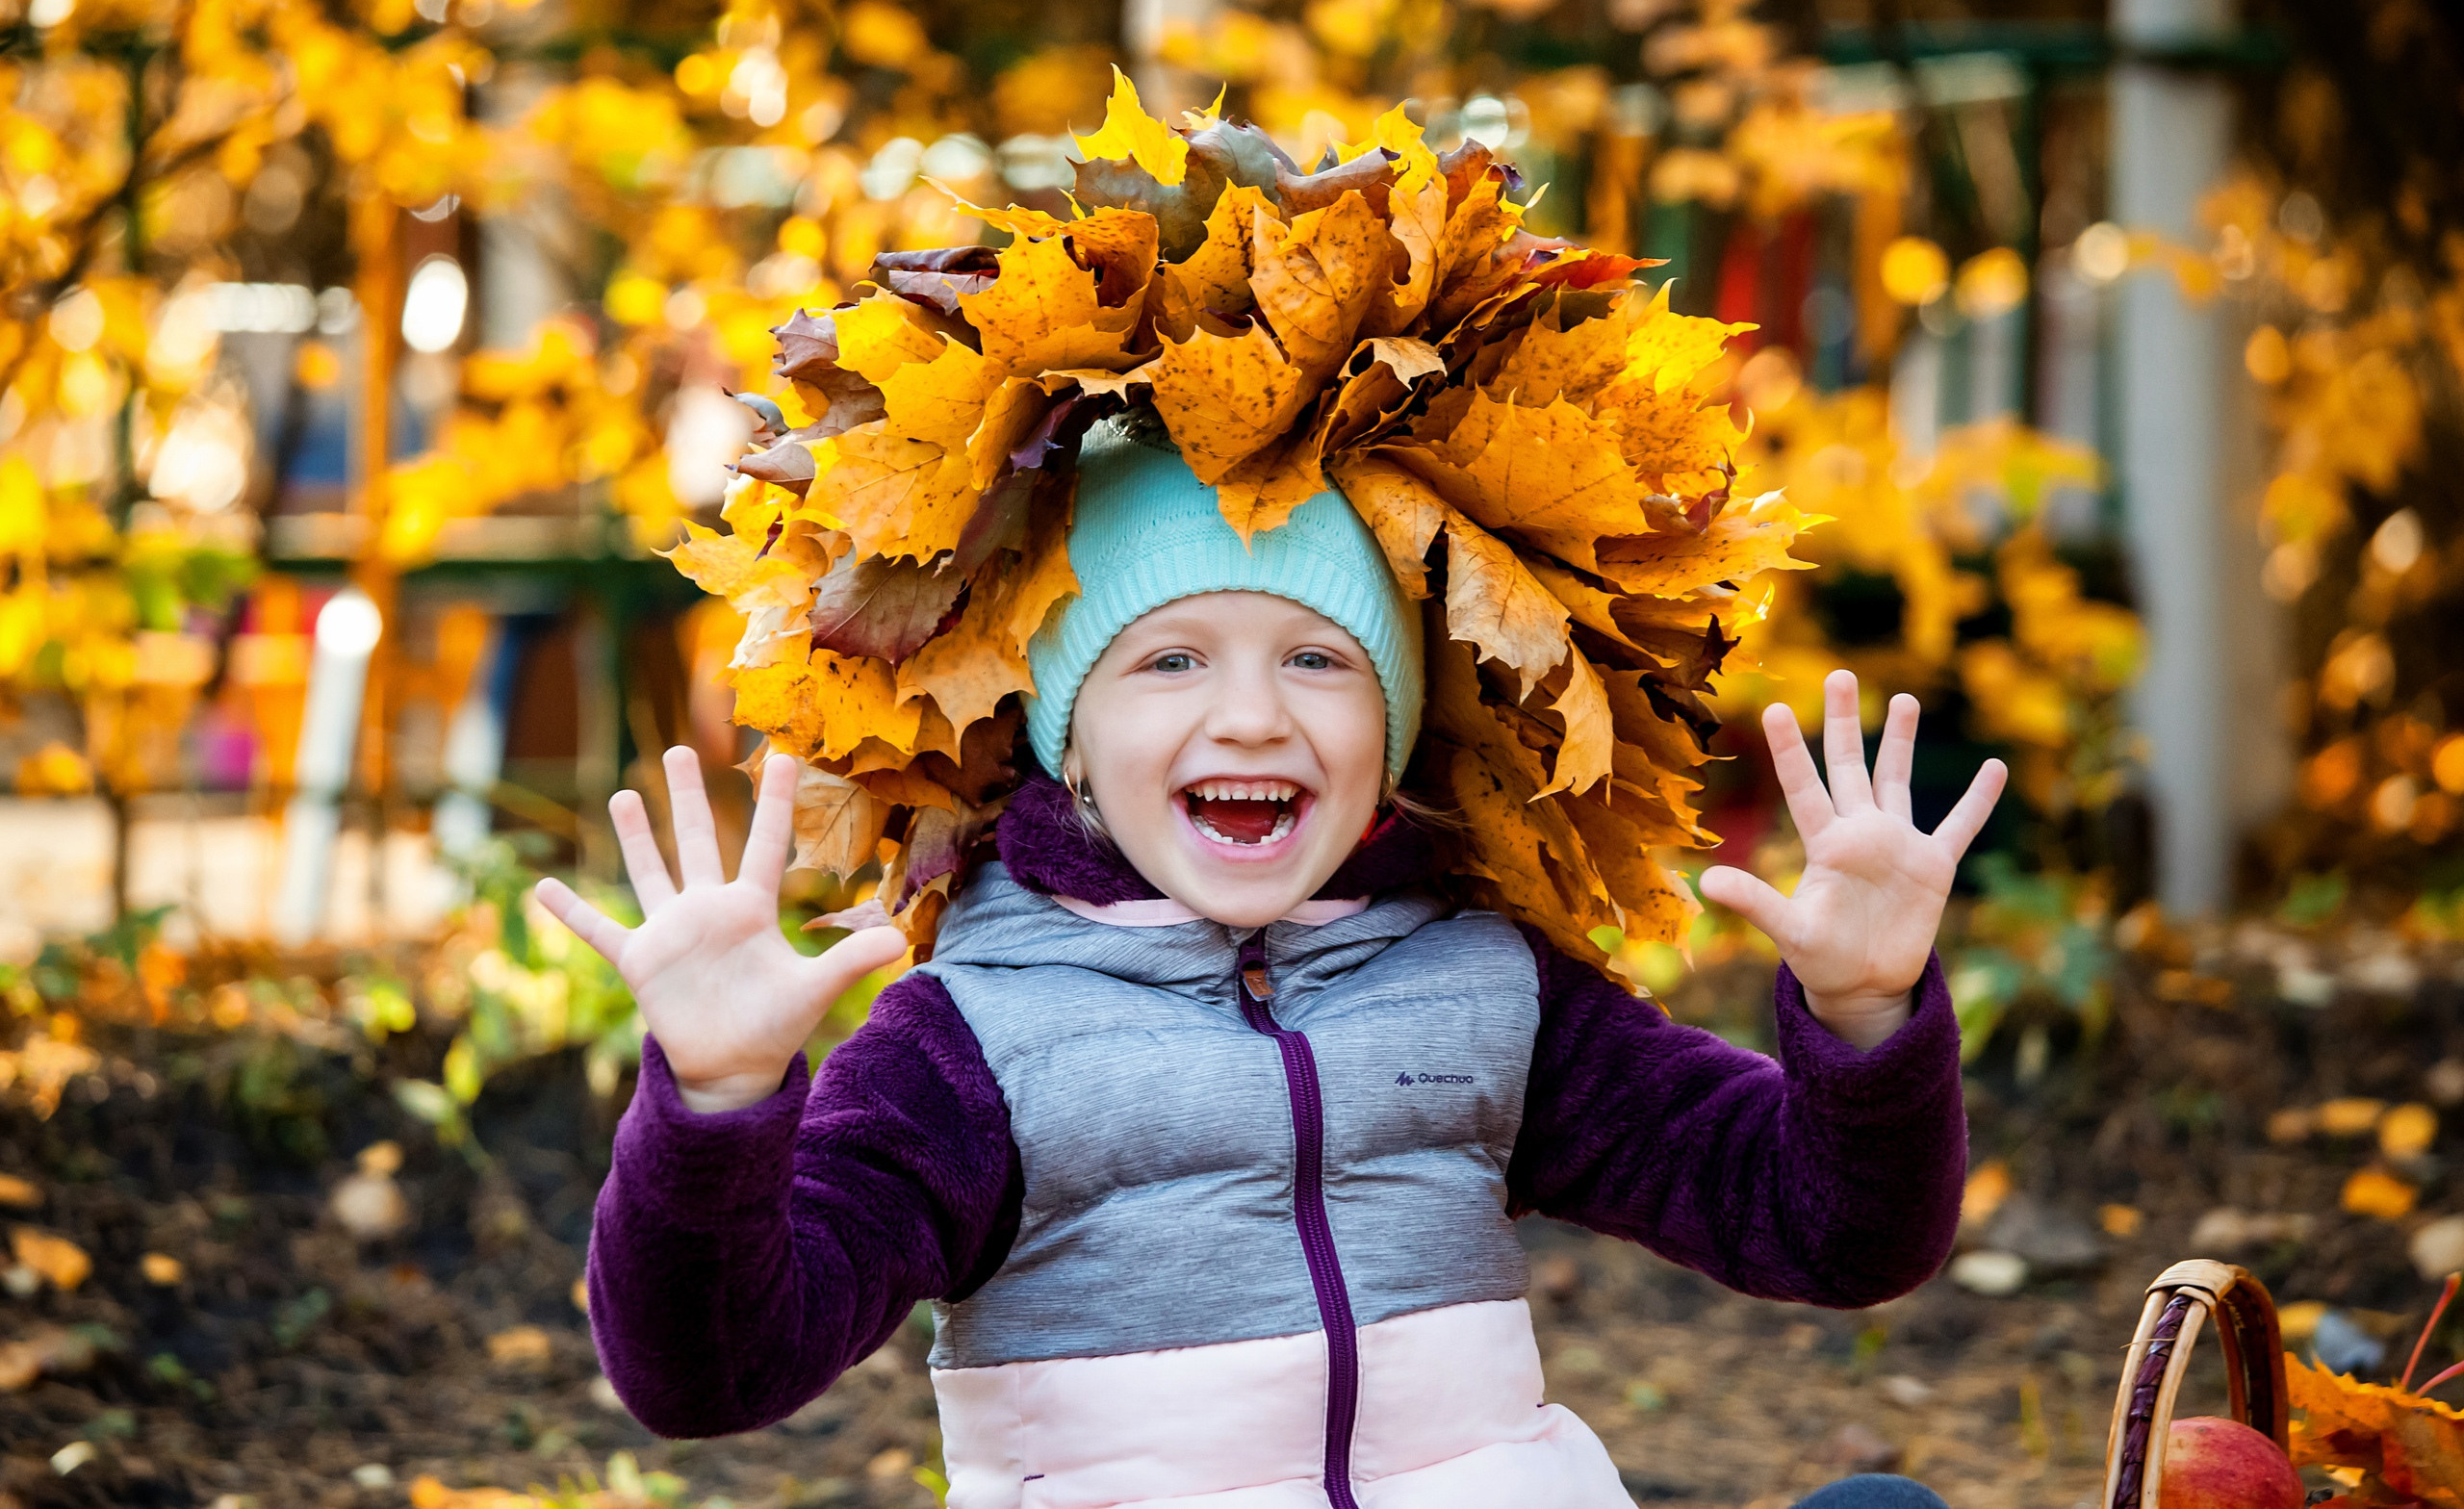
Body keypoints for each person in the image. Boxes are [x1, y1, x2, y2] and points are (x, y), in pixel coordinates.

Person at [540, 426, 2001, 1509]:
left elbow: (1831, 1235)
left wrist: (1865, 1021)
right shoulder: (968, 1047)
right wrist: (717, 1110)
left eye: (1319, 661)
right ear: (1070, 738)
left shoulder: (1487, 984)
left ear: (1395, 732)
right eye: (1169, 661)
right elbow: (707, 1371)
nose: (1249, 716)